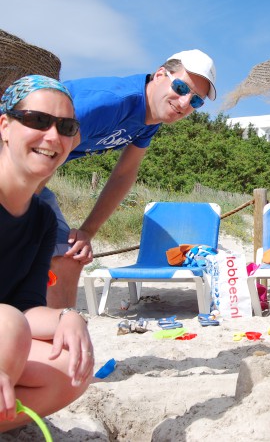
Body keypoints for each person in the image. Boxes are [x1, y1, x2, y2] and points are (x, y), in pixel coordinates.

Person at [37, 49, 217, 308]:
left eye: (196, 100)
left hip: (29, 174)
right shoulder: (111, 103)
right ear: (159, 74)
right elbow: (39, 154)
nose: (185, 102)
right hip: (12, 166)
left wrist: (88, 231)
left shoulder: (147, 121)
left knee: (67, 255)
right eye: (180, 87)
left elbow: (124, 173)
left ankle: (49, 326)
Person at [0, 75, 93, 432]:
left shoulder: (40, 217)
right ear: (5, 126)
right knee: (9, 327)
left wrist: (68, 316)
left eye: (66, 126)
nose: (53, 136)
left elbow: (27, 304)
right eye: (37, 120)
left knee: (71, 368)